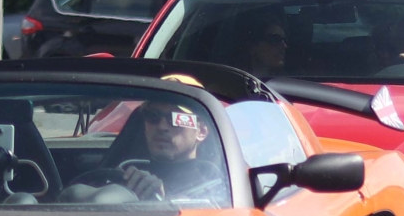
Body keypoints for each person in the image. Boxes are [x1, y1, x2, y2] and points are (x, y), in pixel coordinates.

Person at [85, 99, 227, 203]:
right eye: (152, 116)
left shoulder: (215, 188)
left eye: (175, 118)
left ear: (201, 131)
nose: (161, 126)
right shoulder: (124, 173)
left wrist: (163, 202)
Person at [240, 11, 291, 80]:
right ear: (252, 46)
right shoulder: (229, 82)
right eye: (275, 40)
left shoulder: (292, 83)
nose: (284, 46)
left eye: (285, 40)